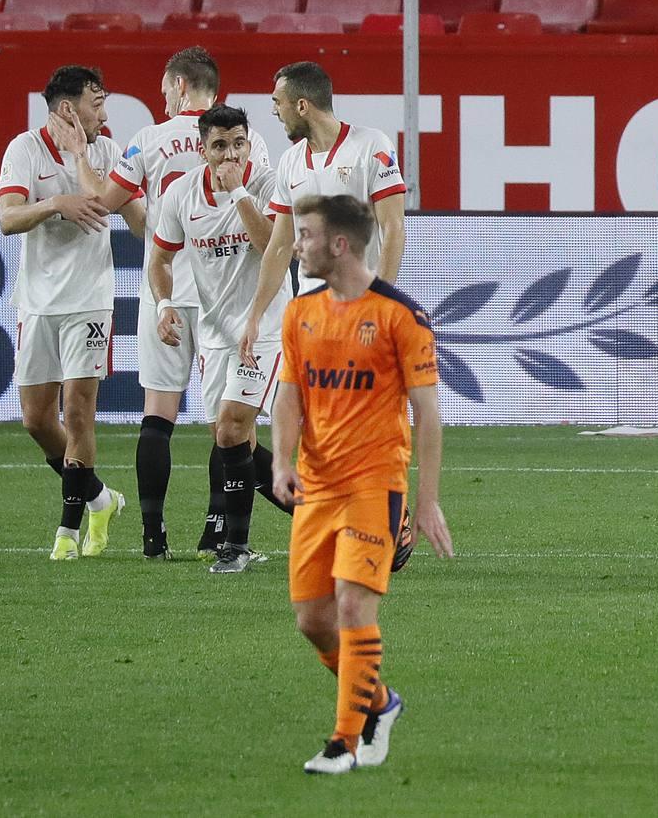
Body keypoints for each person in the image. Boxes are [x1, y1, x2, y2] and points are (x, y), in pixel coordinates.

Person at [270, 194, 454, 774]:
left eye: (305, 236)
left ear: (339, 244)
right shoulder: (301, 314)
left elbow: (427, 413)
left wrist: (425, 503)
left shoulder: (401, 316)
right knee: (313, 620)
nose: (296, 245)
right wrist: (281, 461)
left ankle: (344, 744)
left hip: (376, 485)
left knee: (353, 605)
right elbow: (289, 395)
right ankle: (380, 703)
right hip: (317, 489)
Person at [81, 46, 271, 560]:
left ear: (181, 85)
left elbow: (104, 200)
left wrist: (81, 155)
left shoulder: (150, 140)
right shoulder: (247, 145)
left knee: (159, 414)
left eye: (165, 87)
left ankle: (152, 534)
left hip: (167, 293)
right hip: (225, 293)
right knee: (226, 425)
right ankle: (216, 526)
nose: (162, 97)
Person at [0, 65, 142, 560]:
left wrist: (93, 179)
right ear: (67, 109)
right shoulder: (25, 149)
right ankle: (101, 498)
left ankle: (67, 533)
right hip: (38, 302)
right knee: (37, 421)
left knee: (78, 411)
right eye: (96, 102)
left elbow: (120, 212)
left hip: (91, 300)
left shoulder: (108, 151)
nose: (104, 112)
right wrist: (57, 202)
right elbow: (7, 219)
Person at [148, 105, 292, 574]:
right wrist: (165, 304)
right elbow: (160, 261)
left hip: (264, 327)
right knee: (235, 444)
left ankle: (235, 546)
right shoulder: (180, 194)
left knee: (231, 427)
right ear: (202, 148)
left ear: (249, 144)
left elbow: (273, 246)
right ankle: (327, 514)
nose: (230, 154)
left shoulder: (269, 184)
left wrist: (238, 194)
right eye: (219, 146)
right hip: (214, 335)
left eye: (238, 144)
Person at [237, 61, 407, 370]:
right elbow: (278, 247)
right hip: (310, 312)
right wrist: (254, 316)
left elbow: (393, 227)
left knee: (362, 410)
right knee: (309, 412)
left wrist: (380, 302)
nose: (275, 111)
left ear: (301, 106)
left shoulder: (371, 146)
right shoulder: (289, 162)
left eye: (278, 102)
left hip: (360, 307)